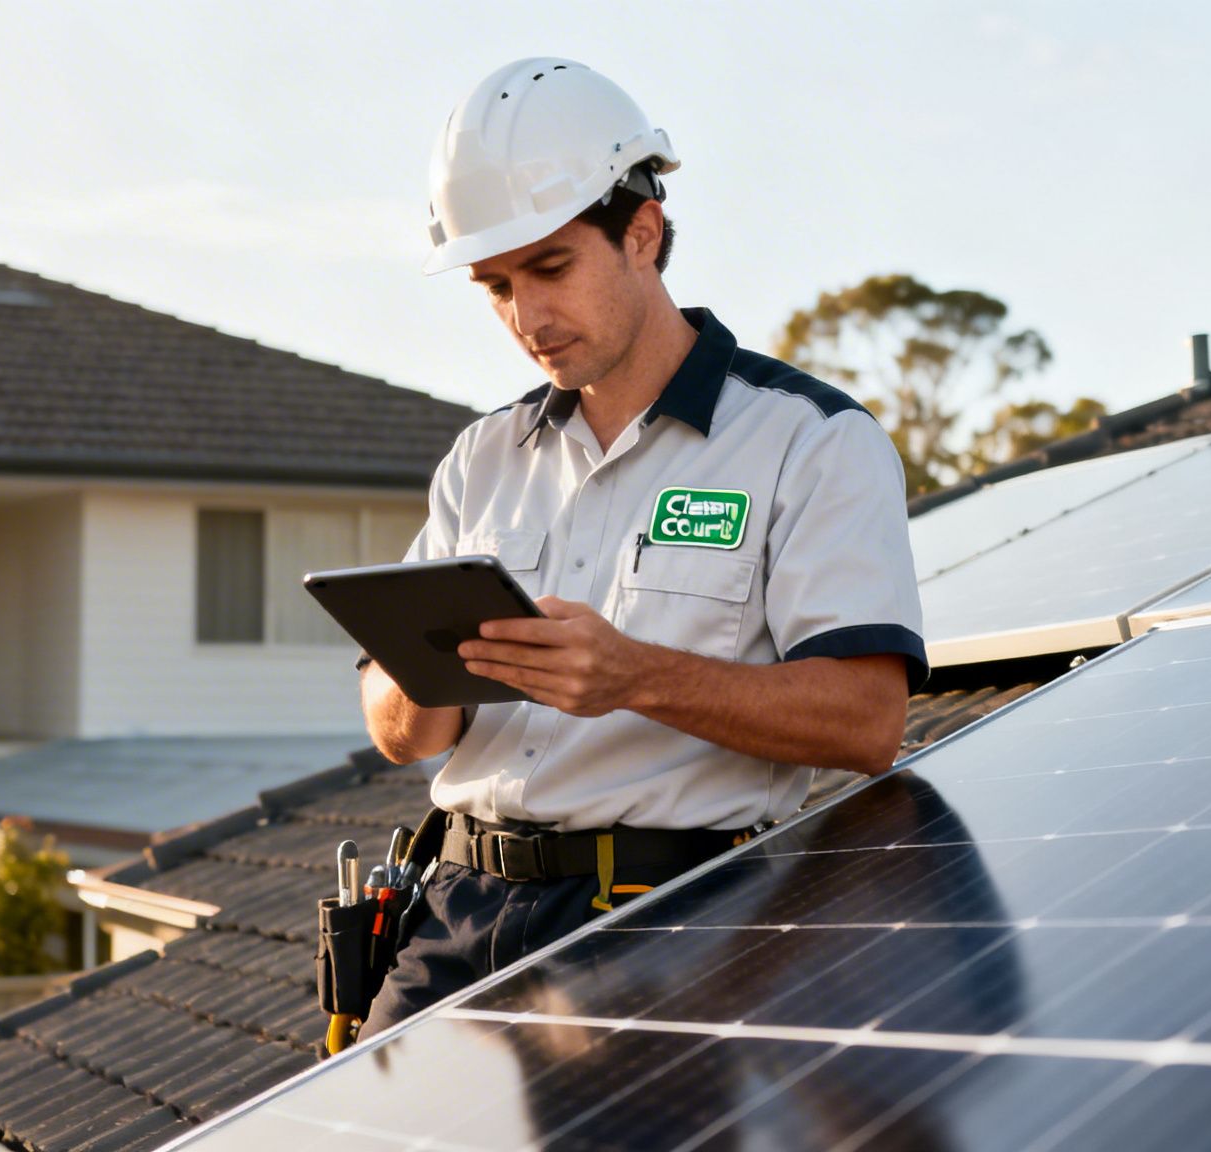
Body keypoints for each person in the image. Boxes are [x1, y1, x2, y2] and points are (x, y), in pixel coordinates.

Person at [355, 57, 926, 1039]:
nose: (524, 318)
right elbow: (397, 731)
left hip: (665, 923)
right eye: (494, 285)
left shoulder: (809, 441)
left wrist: (629, 676)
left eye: (548, 269)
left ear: (642, 236)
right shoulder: (479, 457)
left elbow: (865, 721)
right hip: (450, 913)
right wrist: (415, 684)